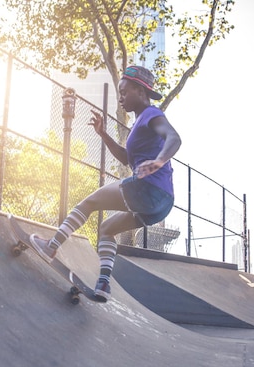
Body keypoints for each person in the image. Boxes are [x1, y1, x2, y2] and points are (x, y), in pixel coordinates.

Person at [30, 65, 182, 301]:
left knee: (89, 203)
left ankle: (52, 245)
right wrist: (103, 134)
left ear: (141, 92)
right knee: (107, 229)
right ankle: (103, 284)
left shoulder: (153, 115)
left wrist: (157, 162)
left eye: (124, 92)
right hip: (162, 203)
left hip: (149, 188)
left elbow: (174, 138)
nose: (120, 98)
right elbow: (126, 158)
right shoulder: (139, 123)